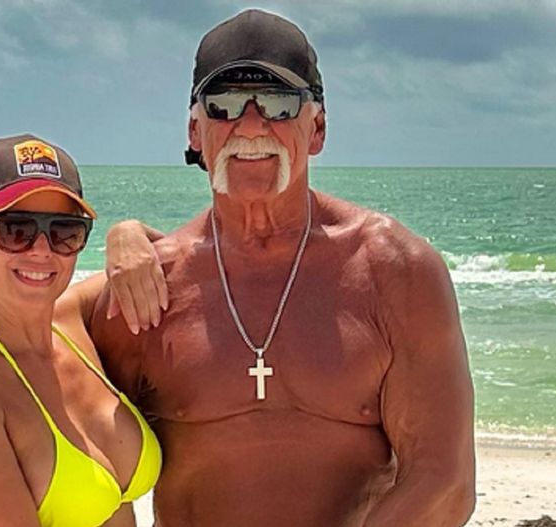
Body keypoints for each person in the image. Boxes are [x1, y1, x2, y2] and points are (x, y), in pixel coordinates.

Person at [87, 9, 476, 526]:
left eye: (277, 103)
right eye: (224, 105)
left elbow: (444, 481)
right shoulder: (150, 286)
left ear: (317, 129)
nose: (251, 126)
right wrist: (120, 233)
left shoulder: (393, 271)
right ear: (196, 132)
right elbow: (43, 377)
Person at [0, 133, 162, 527]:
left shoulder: (76, 319)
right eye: (15, 229)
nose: (42, 249)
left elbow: (173, 262)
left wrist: (125, 232)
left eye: (65, 230)